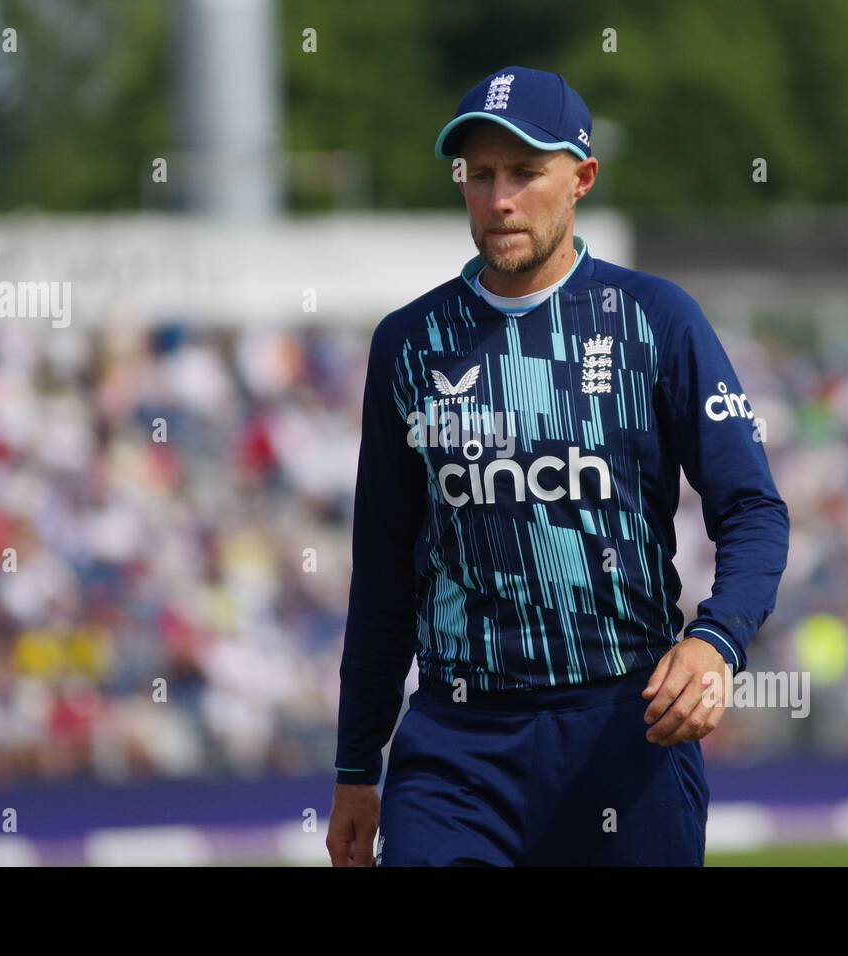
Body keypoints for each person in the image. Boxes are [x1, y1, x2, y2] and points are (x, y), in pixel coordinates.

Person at [326, 65, 789, 866]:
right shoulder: (407, 343)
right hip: (456, 747)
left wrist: (715, 642)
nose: (499, 198)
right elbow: (382, 574)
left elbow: (753, 510)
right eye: (479, 174)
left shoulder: (656, 320)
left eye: (525, 172)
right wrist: (356, 764)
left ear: (581, 178)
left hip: (624, 726)